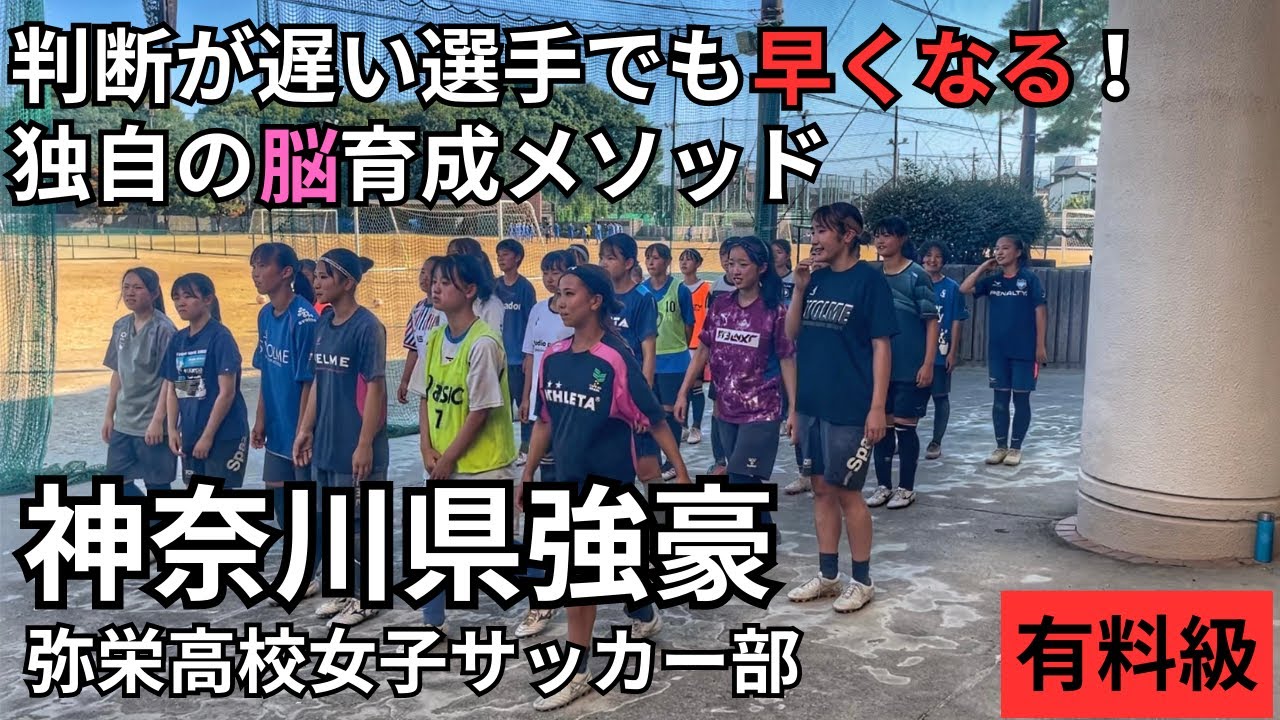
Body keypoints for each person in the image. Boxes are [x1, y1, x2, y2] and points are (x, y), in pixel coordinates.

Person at [519, 264, 690, 711]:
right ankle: (644, 611)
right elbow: (545, 421)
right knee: (604, 570)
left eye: (570, 294)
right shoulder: (553, 357)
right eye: (558, 294)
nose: (560, 302)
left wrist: (680, 473)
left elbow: (655, 419)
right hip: (564, 482)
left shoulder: (615, 358)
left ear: (595, 301)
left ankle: (576, 673)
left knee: (580, 582)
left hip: (607, 486)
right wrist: (528, 473)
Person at [785, 202, 895, 613]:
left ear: (848, 235)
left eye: (821, 231)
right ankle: (828, 575)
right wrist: (799, 289)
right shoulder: (814, 280)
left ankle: (862, 580)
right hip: (812, 403)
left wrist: (877, 407)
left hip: (851, 406)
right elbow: (791, 334)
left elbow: (882, 346)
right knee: (820, 490)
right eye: (813, 230)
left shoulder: (870, 281)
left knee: (848, 492)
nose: (814, 239)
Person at [418, 254, 519, 633]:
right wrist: (426, 448)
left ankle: (569, 574)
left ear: (470, 290)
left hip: (484, 468)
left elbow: (479, 412)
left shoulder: (483, 343)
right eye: (435, 281)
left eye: (446, 282)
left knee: (491, 555)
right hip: (445, 464)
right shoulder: (433, 338)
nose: (435, 288)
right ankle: (432, 623)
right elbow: (426, 396)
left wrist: (447, 459)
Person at [293, 249, 389, 627]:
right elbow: (319, 380)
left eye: (323, 276)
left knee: (365, 521)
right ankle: (344, 589)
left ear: (347, 282)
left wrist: (364, 443)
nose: (315, 283)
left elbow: (376, 388)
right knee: (336, 518)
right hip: (328, 442)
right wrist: (306, 428)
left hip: (357, 442)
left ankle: (369, 596)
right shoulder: (323, 322)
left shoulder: (368, 327)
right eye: (315, 275)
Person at [675, 236, 795, 525]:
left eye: (743, 264)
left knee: (742, 475)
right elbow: (703, 349)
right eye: (730, 264)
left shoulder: (775, 311)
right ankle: (764, 528)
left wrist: (794, 408)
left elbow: (787, 359)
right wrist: (683, 392)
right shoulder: (721, 305)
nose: (735, 271)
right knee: (742, 477)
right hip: (726, 408)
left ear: (762, 267)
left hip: (761, 410)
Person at [866, 216, 938, 510]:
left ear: (902, 238)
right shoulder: (872, 275)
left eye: (887, 235)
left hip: (910, 367)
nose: (881, 241)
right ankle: (883, 485)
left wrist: (928, 363)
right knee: (881, 429)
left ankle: (906, 488)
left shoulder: (917, 275)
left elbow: (931, 322)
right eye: (877, 235)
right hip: (879, 369)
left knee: (906, 429)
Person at [249, 243, 319, 539]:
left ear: (286, 272)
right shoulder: (265, 315)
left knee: (305, 508)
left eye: (263, 266)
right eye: (253, 266)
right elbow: (266, 370)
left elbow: (309, 382)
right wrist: (260, 420)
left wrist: (302, 431)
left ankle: (319, 561)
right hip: (276, 430)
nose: (256, 273)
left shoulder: (304, 319)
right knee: (280, 504)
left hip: (300, 431)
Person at [960, 234, 1048, 466]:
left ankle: (1015, 448)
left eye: (1005, 248)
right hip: (998, 352)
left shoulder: (1029, 279)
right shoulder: (993, 281)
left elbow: (1040, 311)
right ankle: (1001, 447)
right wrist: (982, 268)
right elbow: (964, 288)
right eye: (997, 248)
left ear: (1018, 252)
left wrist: (1040, 345)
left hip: (1025, 351)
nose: (999, 252)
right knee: (999, 401)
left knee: (1021, 400)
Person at [163, 273, 250, 489]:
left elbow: (226, 393)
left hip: (224, 435)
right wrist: (173, 429)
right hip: (191, 432)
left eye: (188, 296)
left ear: (208, 299)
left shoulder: (220, 338)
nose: (181, 303)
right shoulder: (178, 340)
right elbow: (173, 389)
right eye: (176, 297)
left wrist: (208, 436)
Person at [103, 267, 178, 497]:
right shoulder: (120, 326)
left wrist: (158, 421)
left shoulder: (164, 329)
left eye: (137, 287)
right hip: (124, 422)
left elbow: (169, 381)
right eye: (126, 287)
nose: (130, 293)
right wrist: (109, 415)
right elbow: (117, 372)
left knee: (157, 486)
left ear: (154, 293)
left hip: (151, 424)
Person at [598, 233, 663, 484]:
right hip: (604, 390)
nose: (604, 263)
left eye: (610, 258)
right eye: (602, 257)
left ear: (628, 263)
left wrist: (642, 400)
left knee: (648, 468)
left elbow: (648, 352)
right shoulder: (598, 297)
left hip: (633, 390)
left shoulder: (642, 298)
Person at [644, 242, 695, 480]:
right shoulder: (642, 291)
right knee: (650, 411)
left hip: (674, 360)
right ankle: (653, 460)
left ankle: (671, 461)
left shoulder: (680, 289)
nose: (651, 262)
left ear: (667, 262)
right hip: (649, 360)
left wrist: (679, 345)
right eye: (648, 257)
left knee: (670, 412)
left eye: (656, 258)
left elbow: (688, 324)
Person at [920, 241, 969, 459]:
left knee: (940, 397)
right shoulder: (913, 283)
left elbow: (957, 320)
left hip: (940, 352)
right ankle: (903, 438)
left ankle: (936, 442)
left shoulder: (952, 288)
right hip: (915, 352)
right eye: (928, 255)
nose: (933, 260)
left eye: (938, 256)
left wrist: (952, 352)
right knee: (911, 397)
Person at [494, 238, 538, 463]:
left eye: (505, 254)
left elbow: (531, 323)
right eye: (498, 255)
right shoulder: (494, 287)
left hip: (518, 360)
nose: (500, 258)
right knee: (498, 408)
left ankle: (526, 448)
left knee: (523, 406)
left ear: (518, 257)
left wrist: (528, 356)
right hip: (498, 359)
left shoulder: (525, 288)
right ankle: (501, 447)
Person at [705, 239, 737, 474]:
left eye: (735, 259)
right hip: (721, 364)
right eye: (725, 256)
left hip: (747, 367)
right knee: (718, 409)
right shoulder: (717, 287)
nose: (727, 261)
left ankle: (737, 462)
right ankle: (720, 460)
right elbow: (709, 327)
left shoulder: (760, 292)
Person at [397, 257, 443, 405]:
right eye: (422, 272)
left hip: (445, 379)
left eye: (431, 273)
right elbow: (413, 349)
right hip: (425, 381)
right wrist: (405, 381)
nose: (425, 277)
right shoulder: (417, 309)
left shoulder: (447, 310)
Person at [678, 248, 710, 444]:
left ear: (698, 263)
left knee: (696, 386)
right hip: (680, 344)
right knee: (682, 387)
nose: (684, 263)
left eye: (689, 260)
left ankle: (696, 427)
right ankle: (682, 426)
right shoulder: (677, 288)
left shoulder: (706, 289)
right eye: (681, 259)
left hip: (698, 344)